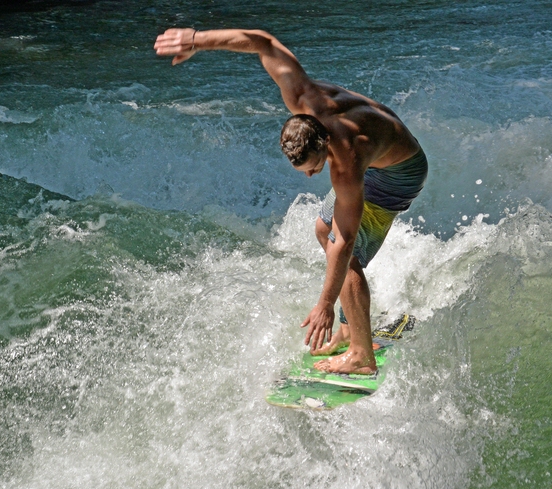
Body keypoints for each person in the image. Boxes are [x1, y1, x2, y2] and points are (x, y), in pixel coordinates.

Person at [155, 28, 427, 375]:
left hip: (399, 173)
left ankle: (361, 355)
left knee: (345, 253)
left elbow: (344, 241)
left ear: (325, 145)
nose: (312, 176)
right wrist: (196, 39)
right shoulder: (302, 96)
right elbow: (262, 43)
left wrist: (324, 304)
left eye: (315, 168)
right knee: (322, 228)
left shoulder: (347, 162)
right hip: (381, 155)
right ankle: (349, 330)